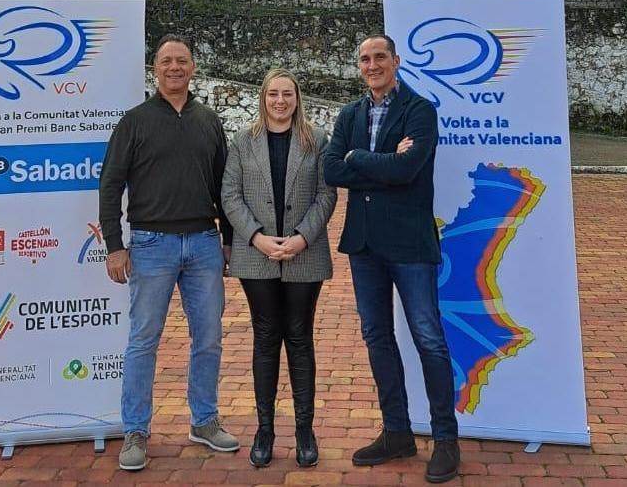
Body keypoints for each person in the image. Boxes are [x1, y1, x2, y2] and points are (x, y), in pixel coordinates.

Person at [323, 34, 461, 483]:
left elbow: (407, 170)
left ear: (396, 61)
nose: (372, 64)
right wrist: (381, 164)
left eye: (379, 56)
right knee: (377, 337)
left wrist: (360, 159)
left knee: (428, 338)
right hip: (364, 246)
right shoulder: (350, 113)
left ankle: (445, 439)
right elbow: (331, 169)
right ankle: (397, 432)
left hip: (409, 246)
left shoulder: (420, 110)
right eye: (364, 59)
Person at [98, 35, 238, 472]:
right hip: (150, 245)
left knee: (209, 338)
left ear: (193, 67)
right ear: (154, 69)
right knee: (143, 341)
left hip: (202, 244)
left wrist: (228, 238)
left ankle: (205, 420)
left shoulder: (209, 121)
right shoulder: (134, 122)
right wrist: (115, 246)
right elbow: (110, 185)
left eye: (181, 61)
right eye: (165, 62)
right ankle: (136, 430)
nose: (174, 68)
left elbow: (225, 188)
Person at [221, 68, 336, 469]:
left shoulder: (317, 140)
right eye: (273, 93)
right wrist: (256, 237)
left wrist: (303, 236)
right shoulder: (242, 141)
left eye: (287, 93)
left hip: (305, 253)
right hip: (257, 254)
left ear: (297, 98)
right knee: (266, 336)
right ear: (263, 97)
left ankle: (305, 429)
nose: (280, 101)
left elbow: (327, 193)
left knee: (300, 336)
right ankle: (265, 429)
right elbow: (229, 194)